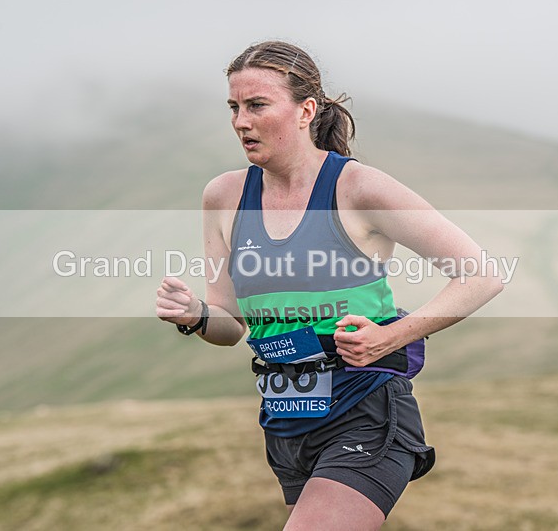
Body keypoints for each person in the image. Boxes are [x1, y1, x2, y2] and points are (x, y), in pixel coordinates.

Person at [156, 40, 504, 530]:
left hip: (366, 407)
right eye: (234, 107)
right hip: (286, 420)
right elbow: (231, 324)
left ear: (306, 110)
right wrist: (194, 315)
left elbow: (482, 274)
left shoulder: (359, 188)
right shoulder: (223, 196)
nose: (240, 121)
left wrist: (391, 336)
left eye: (257, 105)